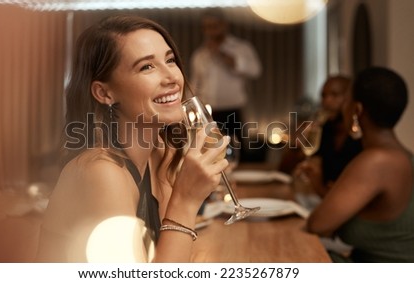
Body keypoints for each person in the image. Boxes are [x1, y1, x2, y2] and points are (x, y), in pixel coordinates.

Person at [35, 15, 229, 262]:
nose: (172, 77)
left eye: (170, 60)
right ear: (104, 93)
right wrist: (186, 200)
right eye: (146, 66)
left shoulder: (161, 154)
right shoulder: (101, 172)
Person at [306, 66, 414, 262]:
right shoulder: (404, 156)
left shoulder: (376, 161)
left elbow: (317, 224)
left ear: (357, 109)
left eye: (346, 100)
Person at [190, 8, 262, 145]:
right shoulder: (199, 55)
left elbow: (255, 70)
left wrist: (228, 58)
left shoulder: (241, 48)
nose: (211, 30)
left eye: (214, 26)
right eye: (207, 27)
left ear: (224, 25)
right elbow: (195, 84)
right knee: (211, 150)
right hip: (209, 113)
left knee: (236, 150)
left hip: (233, 111)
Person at [292, 75, 363, 197]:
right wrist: (295, 145)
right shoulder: (325, 130)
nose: (326, 101)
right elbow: (285, 168)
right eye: (324, 96)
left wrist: (319, 185)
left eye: (334, 95)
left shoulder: (362, 137)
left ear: (352, 100)